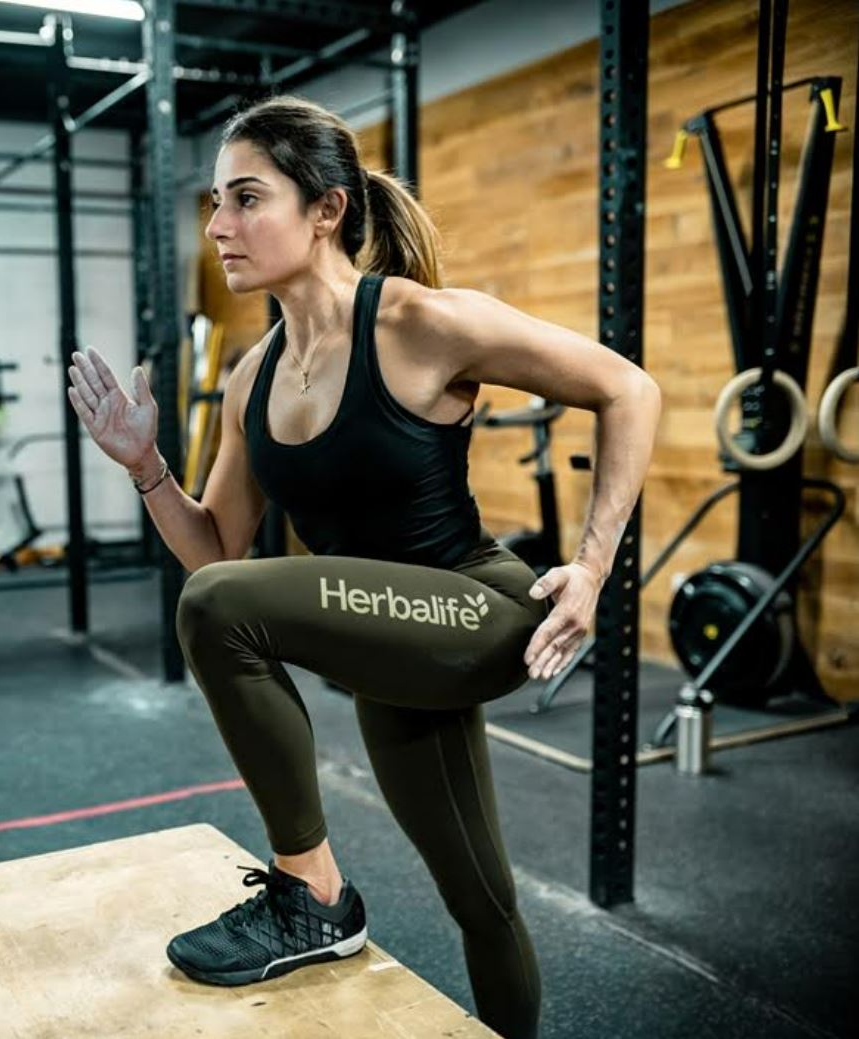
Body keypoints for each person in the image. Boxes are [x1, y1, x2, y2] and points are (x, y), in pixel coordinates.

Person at [66, 96, 659, 1039]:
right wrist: (146, 468)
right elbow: (216, 552)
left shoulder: (421, 323)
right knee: (482, 900)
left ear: (327, 209)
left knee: (220, 605)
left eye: (246, 197)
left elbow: (626, 386)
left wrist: (589, 569)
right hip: (384, 636)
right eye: (214, 202)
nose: (218, 226)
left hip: (479, 610)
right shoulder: (251, 376)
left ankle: (312, 895)